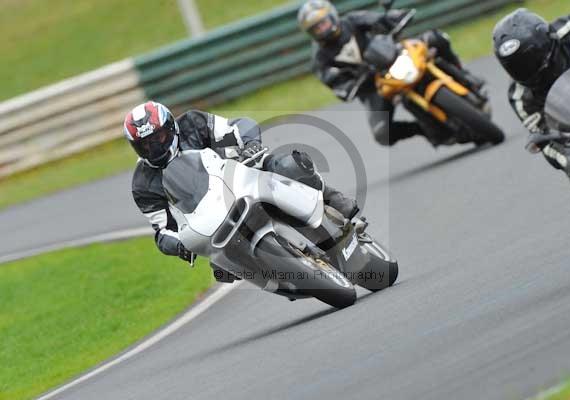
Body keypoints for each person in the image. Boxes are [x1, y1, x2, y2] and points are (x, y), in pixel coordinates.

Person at [124, 101, 358, 264]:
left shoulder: (192, 123)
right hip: (209, 218)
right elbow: (163, 230)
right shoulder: (142, 184)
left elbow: (236, 126)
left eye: (159, 138)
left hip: (239, 175)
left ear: (170, 127)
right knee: (220, 268)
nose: (155, 146)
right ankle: (278, 273)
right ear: (136, 147)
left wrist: (249, 144)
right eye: (146, 145)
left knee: (285, 166)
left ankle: (333, 199)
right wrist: (179, 246)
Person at [298, 0, 484, 146]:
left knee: (436, 38)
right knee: (381, 133)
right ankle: (425, 129)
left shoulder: (351, 21)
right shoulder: (319, 58)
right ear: (311, 33)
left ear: (332, 16)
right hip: (372, 86)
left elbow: (377, 19)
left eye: (323, 23)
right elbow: (334, 83)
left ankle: (466, 76)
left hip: (392, 56)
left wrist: (394, 18)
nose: (322, 29)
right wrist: (349, 86)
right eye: (317, 28)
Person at [493, 8, 570, 189]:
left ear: (547, 40)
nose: (527, 68)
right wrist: (568, 161)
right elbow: (544, 139)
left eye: (530, 58)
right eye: (518, 66)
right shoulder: (520, 97)